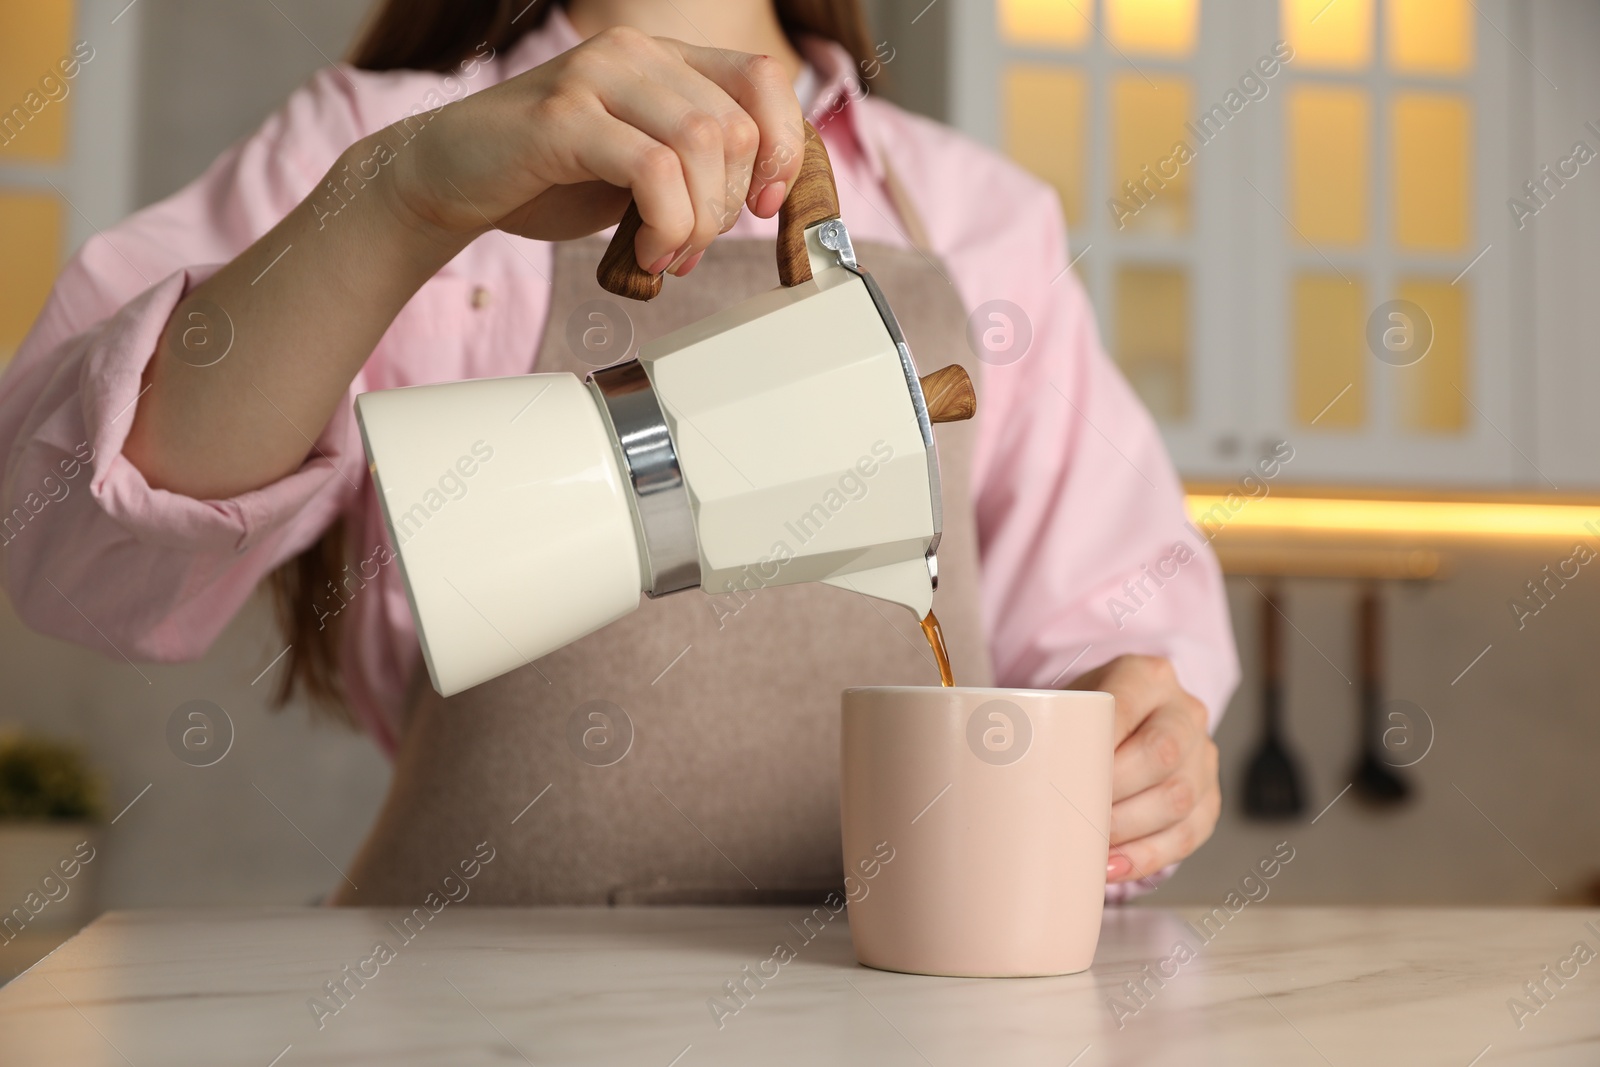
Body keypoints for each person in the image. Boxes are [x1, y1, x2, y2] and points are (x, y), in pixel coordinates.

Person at [0, 0, 1237, 904]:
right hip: (478, 1007)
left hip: (902, 1001)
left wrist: (1133, 741)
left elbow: (1112, 621)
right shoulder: (380, 143)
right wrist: (399, 202)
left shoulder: (975, 211)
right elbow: (61, 540)